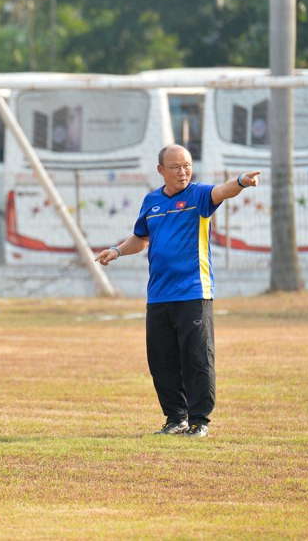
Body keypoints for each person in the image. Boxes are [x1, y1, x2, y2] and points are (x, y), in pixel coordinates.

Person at [96, 144, 259, 438]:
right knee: (161, 360)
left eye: (187, 165)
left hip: (193, 292)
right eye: (175, 167)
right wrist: (116, 250)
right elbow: (140, 238)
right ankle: (175, 418)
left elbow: (221, 192)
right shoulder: (152, 201)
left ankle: (199, 421)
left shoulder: (198, 196)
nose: (183, 171)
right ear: (161, 170)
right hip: (158, 294)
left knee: (197, 357)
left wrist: (240, 182)